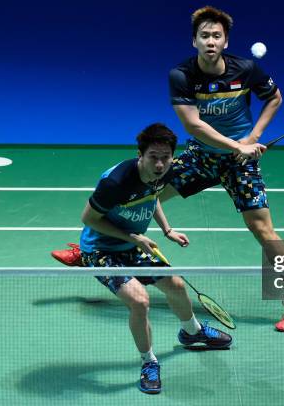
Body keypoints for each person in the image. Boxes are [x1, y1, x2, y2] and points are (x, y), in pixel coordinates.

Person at [52, 6, 284, 332]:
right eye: (204, 35)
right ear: (194, 41)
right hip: (201, 157)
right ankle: (94, 251)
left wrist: (253, 136)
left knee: (264, 231)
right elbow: (194, 124)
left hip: (240, 164)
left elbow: (274, 97)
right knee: (140, 189)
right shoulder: (183, 76)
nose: (210, 41)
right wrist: (238, 145)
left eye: (216, 35)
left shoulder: (245, 70)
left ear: (226, 40)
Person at [76, 123, 232, 395]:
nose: (159, 164)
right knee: (139, 301)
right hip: (101, 251)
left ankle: (192, 332)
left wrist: (167, 230)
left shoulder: (165, 171)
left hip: (132, 243)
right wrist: (135, 238)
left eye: (165, 157)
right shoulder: (116, 182)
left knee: (176, 286)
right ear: (140, 154)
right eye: (153, 157)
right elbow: (88, 219)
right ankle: (149, 361)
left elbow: (153, 194)